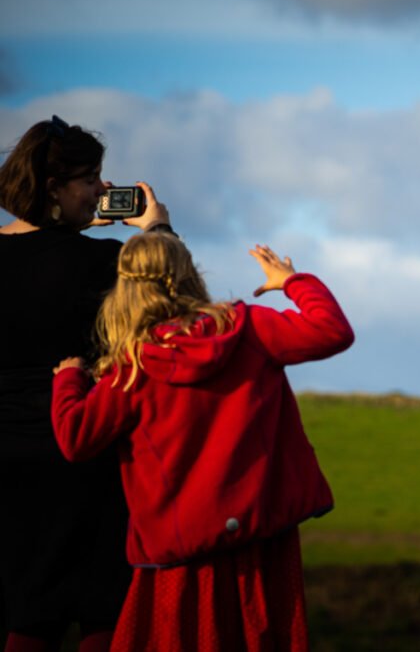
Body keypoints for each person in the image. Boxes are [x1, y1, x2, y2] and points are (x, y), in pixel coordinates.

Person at [50, 232, 355, 649]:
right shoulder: (247, 327)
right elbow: (332, 331)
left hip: (182, 554)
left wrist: (68, 379)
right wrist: (292, 281)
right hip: (263, 538)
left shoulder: (132, 370)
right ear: (190, 274)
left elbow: (75, 438)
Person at [0, 115, 170, 651]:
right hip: (83, 451)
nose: (103, 190)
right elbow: (170, 308)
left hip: (6, 460)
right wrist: (156, 230)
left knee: (26, 614)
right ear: (54, 188)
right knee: (104, 613)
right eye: (91, 180)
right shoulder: (105, 261)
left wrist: (69, 229)